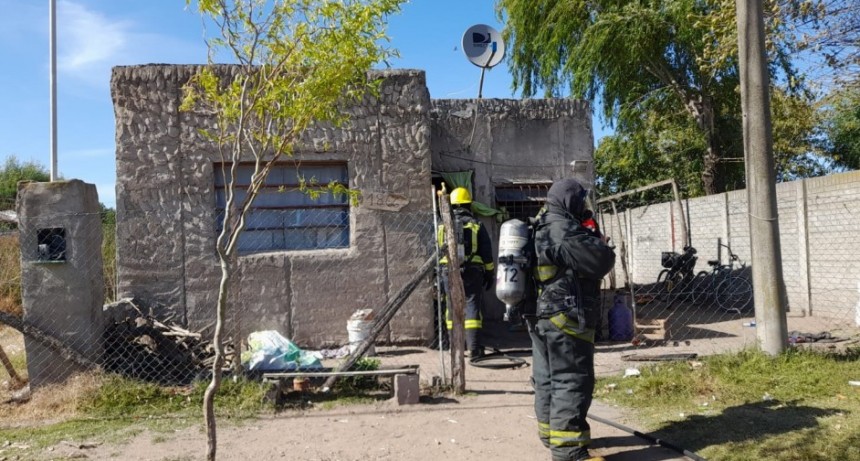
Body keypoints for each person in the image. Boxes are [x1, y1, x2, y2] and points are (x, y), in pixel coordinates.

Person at [529, 178, 616, 461]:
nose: (584, 207)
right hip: (564, 316)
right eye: (581, 201)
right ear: (570, 201)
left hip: (540, 317)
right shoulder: (564, 229)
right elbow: (600, 261)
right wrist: (600, 243)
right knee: (571, 379)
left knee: (546, 378)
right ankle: (568, 451)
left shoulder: (539, 225)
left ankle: (550, 435)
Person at [438, 186, 495, 358]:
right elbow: (486, 251)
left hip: (447, 270)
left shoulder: (442, 226)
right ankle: (475, 350)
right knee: (472, 307)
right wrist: (490, 274)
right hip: (472, 272)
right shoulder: (476, 225)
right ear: (469, 205)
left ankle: (455, 349)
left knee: (451, 306)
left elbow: (434, 249)